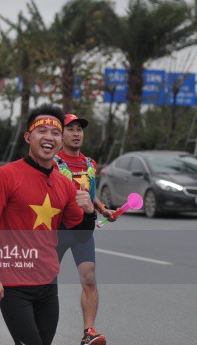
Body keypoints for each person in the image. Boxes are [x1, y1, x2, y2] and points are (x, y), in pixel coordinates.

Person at [0, 104, 96, 345]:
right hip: (13, 283)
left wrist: (90, 212)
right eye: (41, 131)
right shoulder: (6, 175)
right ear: (28, 137)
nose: (49, 137)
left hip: (47, 286)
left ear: (61, 142)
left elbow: (81, 236)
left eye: (55, 133)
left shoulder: (64, 184)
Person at [55, 113, 117, 345]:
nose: (76, 133)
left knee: (89, 278)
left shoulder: (89, 163)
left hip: (83, 230)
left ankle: (88, 332)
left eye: (79, 129)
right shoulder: (52, 162)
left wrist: (102, 209)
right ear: (60, 135)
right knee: (46, 281)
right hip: (57, 229)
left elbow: (89, 193)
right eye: (70, 129)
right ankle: (39, 330)